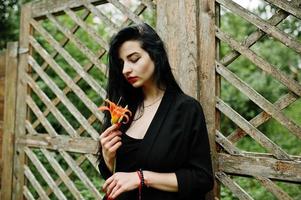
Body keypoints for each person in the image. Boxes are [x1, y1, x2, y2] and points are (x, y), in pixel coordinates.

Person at [98, 23, 213, 200]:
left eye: (134, 59)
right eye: (121, 63)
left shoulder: (186, 109)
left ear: (155, 56)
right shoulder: (122, 107)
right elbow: (113, 178)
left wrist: (141, 178)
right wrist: (108, 158)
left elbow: (202, 179)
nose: (125, 70)